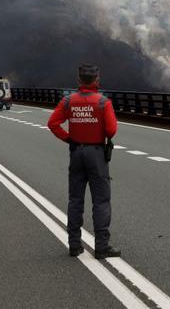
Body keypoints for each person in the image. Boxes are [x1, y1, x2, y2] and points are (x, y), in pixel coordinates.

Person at [47, 63, 120, 258]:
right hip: (96, 153)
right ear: (97, 80)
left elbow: (52, 123)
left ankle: (74, 245)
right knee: (101, 200)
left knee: (75, 199)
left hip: (76, 152)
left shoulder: (68, 101)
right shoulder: (104, 102)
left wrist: (68, 138)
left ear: (79, 80)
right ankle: (102, 246)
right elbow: (111, 130)